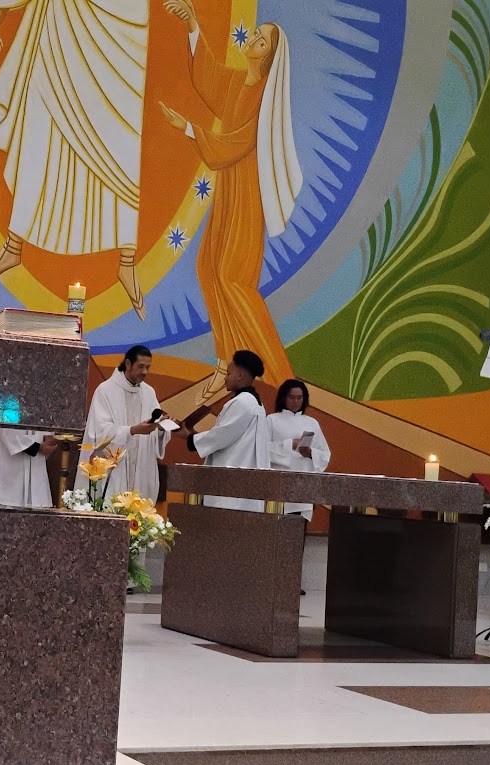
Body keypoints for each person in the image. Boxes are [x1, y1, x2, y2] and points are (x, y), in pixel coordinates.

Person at [0, 0, 149, 317]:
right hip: (63, 22)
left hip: (122, 29)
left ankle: (126, 261)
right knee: (40, 129)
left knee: (118, 139)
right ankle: (14, 246)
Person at [158, 0, 302, 382]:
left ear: (268, 57)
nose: (252, 39)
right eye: (256, 34)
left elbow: (238, 142)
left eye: (261, 40)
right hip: (228, 189)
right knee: (207, 268)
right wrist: (192, 24)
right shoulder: (238, 83)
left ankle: (281, 379)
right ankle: (227, 363)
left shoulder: (265, 98)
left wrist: (189, 128)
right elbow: (208, 77)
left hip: (248, 194)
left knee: (233, 278)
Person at [182, 349, 269, 512]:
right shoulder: (254, 402)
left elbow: (221, 436)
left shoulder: (243, 402)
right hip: (240, 482)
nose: (225, 378)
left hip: (232, 484)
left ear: (240, 375)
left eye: (228, 373)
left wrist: (188, 437)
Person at [84, 345, 170, 502]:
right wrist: (132, 430)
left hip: (141, 470)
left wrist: (162, 428)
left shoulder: (149, 392)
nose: (145, 372)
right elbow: (99, 432)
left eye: (148, 367)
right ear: (128, 363)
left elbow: (155, 432)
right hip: (115, 470)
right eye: (141, 366)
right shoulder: (105, 390)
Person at [266, 378, 331, 519]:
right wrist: (290, 444)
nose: (296, 401)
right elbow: (262, 450)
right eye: (292, 397)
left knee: (299, 527)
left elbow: (325, 454)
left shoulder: (312, 423)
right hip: (279, 486)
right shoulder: (271, 420)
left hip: (303, 487)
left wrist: (311, 453)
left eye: (299, 398)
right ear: (284, 398)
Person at [0, 429, 58, 508]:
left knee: (36, 507)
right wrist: (37, 447)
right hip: (8, 466)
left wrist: (49, 437)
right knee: (5, 507)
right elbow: (7, 432)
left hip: (36, 466)